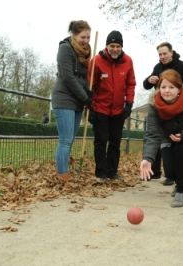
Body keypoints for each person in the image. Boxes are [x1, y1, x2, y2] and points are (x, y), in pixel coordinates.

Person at [140, 69, 183, 207]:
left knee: (182, 151)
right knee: (170, 173)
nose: (167, 90)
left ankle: (181, 191)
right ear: (158, 88)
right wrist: (147, 158)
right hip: (168, 139)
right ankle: (178, 181)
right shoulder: (155, 106)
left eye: (171, 87)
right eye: (163, 87)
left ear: (179, 89)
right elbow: (152, 134)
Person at [88, 30, 136, 180]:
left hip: (118, 110)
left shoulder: (128, 61)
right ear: (106, 46)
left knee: (115, 142)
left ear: (121, 47)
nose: (115, 49)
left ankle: (112, 171)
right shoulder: (96, 61)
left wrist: (129, 103)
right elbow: (89, 86)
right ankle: (101, 172)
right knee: (101, 141)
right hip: (100, 108)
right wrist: (90, 108)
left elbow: (131, 84)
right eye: (112, 46)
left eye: (118, 46)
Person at [51, 20, 92, 183]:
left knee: (70, 140)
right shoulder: (65, 49)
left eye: (88, 37)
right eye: (83, 37)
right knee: (65, 140)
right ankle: (62, 174)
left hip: (77, 101)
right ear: (73, 35)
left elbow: (83, 77)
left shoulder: (85, 53)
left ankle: (64, 171)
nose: (86, 41)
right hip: (64, 99)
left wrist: (88, 92)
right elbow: (68, 77)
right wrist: (85, 97)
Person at [143, 42, 183, 185]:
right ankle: (153, 171)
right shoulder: (157, 67)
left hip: (177, 107)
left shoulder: (182, 66)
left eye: (164, 54)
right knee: (156, 137)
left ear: (171, 53)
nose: (162, 57)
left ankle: (172, 175)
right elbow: (146, 85)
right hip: (160, 107)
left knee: (172, 141)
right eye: (160, 54)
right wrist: (149, 80)